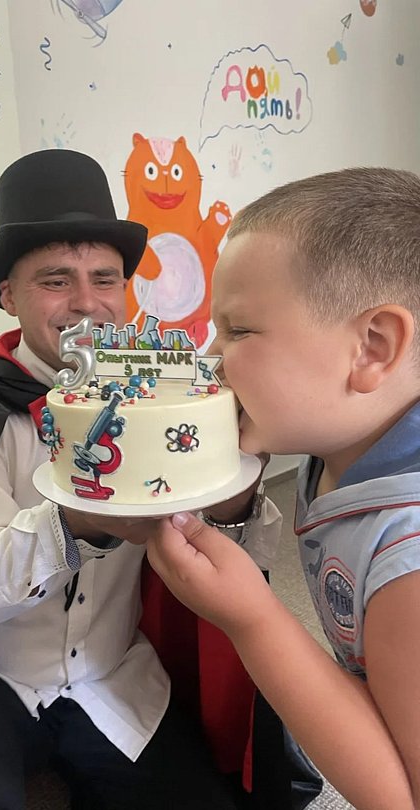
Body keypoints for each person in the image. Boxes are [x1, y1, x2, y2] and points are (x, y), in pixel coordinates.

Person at [0, 149, 309, 810]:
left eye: (105, 279)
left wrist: (232, 485)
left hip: (114, 674)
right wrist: (79, 521)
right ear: (8, 295)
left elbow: (233, 567)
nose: (86, 303)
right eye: (55, 279)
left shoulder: (165, 406)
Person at [140, 167, 420, 810]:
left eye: (238, 331)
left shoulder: (408, 559)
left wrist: (255, 620)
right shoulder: (340, 448)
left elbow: (401, 795)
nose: (210, 359)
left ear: (372, 347)